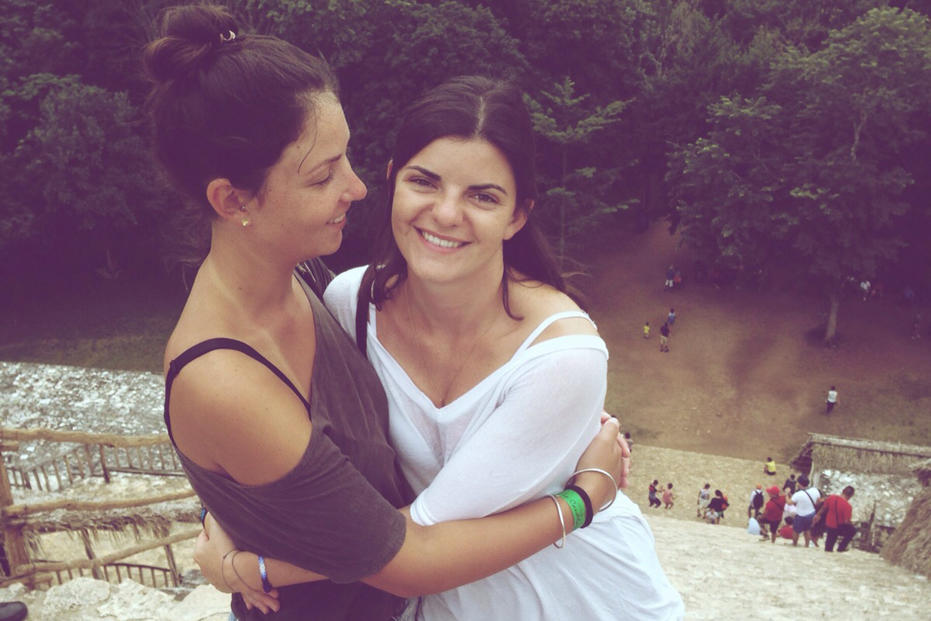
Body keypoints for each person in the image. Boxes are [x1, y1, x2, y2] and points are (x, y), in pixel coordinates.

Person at [146, 8, 629, 621]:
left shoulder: (312, 285)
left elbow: (285, 487)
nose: (358, 187)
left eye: (348, 159)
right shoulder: (226, 377)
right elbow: (405, 558)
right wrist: (586, 495)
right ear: (233, 199)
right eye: (324, 175)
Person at [818, 486, 857, 552]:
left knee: (828, 549)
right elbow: (846, 521)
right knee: (853, 530)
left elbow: (824, 508)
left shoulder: (831, 497)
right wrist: (852, 523)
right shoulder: (848, 506)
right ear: (851, 495)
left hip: (829, 526)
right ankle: (841, 548)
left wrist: (817, 515)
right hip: (839, 527)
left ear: (843, 490)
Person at [786, 474, 821, 547]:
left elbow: (789, 503)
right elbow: (818, 502)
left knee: (796, 530)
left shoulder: (798, 494)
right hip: (811, 513)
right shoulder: (815, 490)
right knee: (807, 530)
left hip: (800, 514)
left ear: (799, 483)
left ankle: (794, 544)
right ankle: (806, 545)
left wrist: (786, 494)